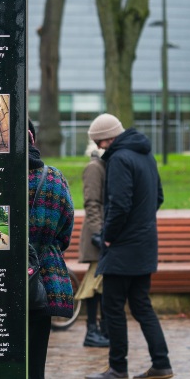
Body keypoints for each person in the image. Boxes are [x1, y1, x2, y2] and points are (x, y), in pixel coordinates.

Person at [85, 114, 172, 379]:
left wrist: (108, 236)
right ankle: (161, 363)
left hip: (122, 248)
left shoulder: (120, 158)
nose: (100, 149)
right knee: (141, 306)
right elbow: (158, 196)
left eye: (100, 143)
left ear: (109, 137)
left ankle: (117, 368)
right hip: (144, 244)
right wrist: (140, 222)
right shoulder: (146, 155)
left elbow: (119, 204)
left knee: (112, 307)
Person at [27, 120, 75, 379]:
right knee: (35, 363)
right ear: (32, 139)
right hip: (42, 281)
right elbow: (65, 229)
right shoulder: (54, 178)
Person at [77, 136, 109, 349]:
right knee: (94, 282)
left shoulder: (102, 165)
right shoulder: (95, 167)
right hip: (98, 236)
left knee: (101, 284)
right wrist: (99, 234)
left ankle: (100, 329)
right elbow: (92, 203)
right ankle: (92, 330)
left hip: (103, 234)